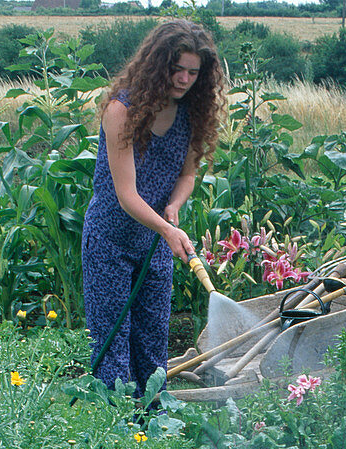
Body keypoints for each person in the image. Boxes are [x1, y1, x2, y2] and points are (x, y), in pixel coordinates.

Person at [82, 19, 225, 399]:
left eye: (193, 72)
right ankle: (115, 428)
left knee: (151, 338)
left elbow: (187, 175)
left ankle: (152, 423)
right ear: (156, 65)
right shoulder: (122, 111)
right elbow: (126, 194)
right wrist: (166, 228)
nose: (183, 79)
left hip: (155, 242)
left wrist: (174, 207)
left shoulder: (192, 113)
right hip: (110, 239)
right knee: (112, 340)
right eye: (176, 69)